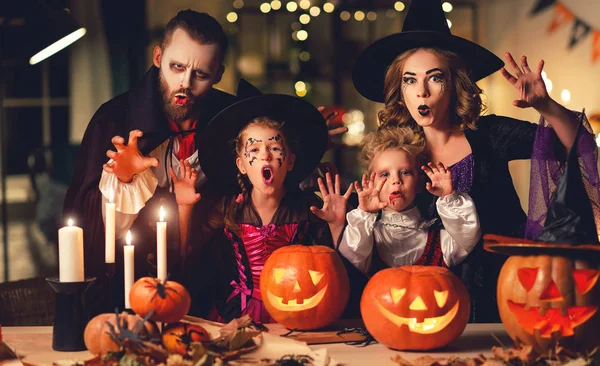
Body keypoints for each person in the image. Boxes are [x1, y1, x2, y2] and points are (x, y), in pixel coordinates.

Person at [351, 0, 590, 322]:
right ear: (400, 89)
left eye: (435, 78)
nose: (421, 91)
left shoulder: (490, 134)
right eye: (410, 80)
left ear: (455, 84)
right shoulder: (393, 150)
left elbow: (579, 146)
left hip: (502, 284)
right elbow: (368, 222)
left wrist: (546, 106)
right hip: (421, 295)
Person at [63, 10, 237, 314]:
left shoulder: (233, 118)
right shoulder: (113, 119)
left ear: (218, 75)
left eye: (201, 74)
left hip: (216, 291)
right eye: (177, 66)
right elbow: (95, 229)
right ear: (158, 57)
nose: (184, 83)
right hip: (130, 292)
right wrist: (124, 180)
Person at [179, 92, 352, 323]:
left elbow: (333, 271)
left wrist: (337, 225)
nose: (265, 157)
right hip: (235, 315)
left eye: (274, 148)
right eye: (254, 150)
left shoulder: (309, 209)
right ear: (241, 164)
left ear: (290, 161)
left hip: (295, 310)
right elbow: (185, 254)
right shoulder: (227, 208)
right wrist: (183, 207)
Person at [338, 127, 481, 274]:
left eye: (405, 172)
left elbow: (468, 238)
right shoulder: (365, 237)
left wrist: (448, 196)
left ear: (419, 183)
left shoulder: (441, 240)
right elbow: (348, 264)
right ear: (371, 184)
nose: (396, 180)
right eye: (385, 174)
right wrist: (365, 214)